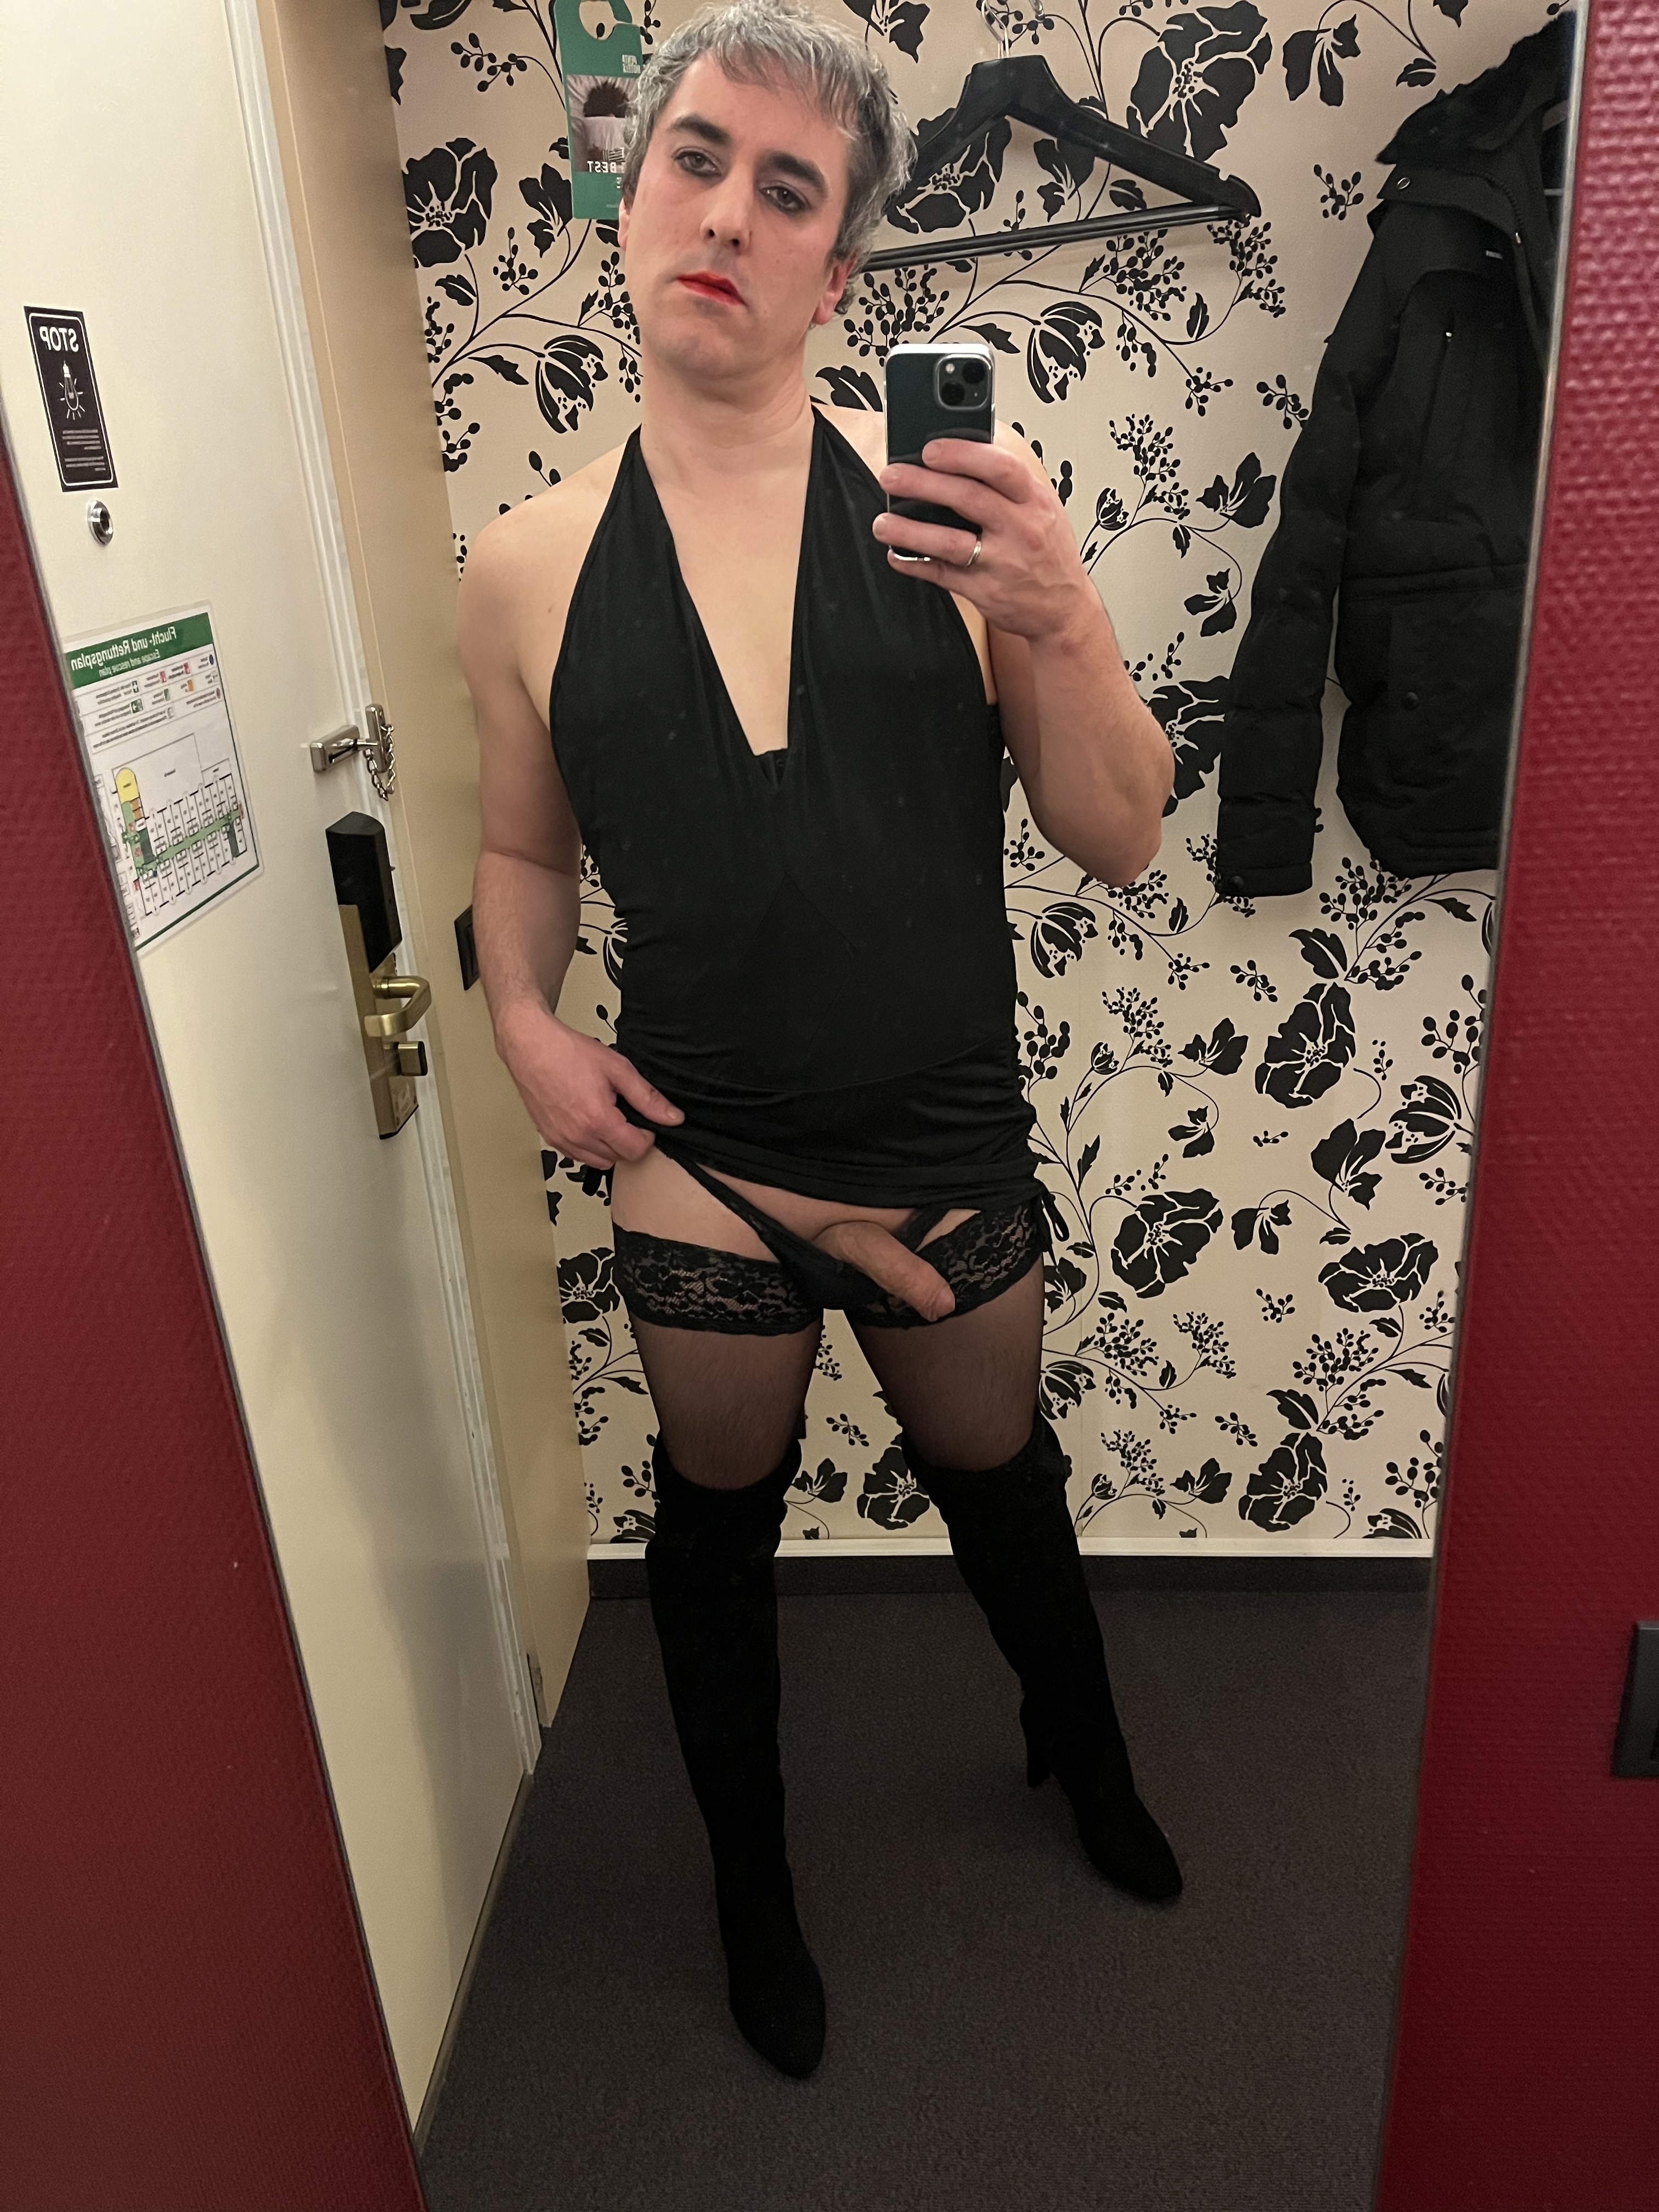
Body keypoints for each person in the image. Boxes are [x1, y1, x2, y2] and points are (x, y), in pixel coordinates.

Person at [458, 0, 1180, 2082]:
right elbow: (522, 852)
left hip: (942, 1138)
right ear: (629, 199)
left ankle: (1083, 1750)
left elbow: (1122, 837)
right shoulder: (521, 569)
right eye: (696, 160)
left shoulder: (955, 523)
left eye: (788, 192)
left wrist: (1062, 609)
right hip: (700, 1154)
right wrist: (519, 1019)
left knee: (1001, 1488)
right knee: (716, 1531)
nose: (727, 216)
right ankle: (751, 1889)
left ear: (840, 273)